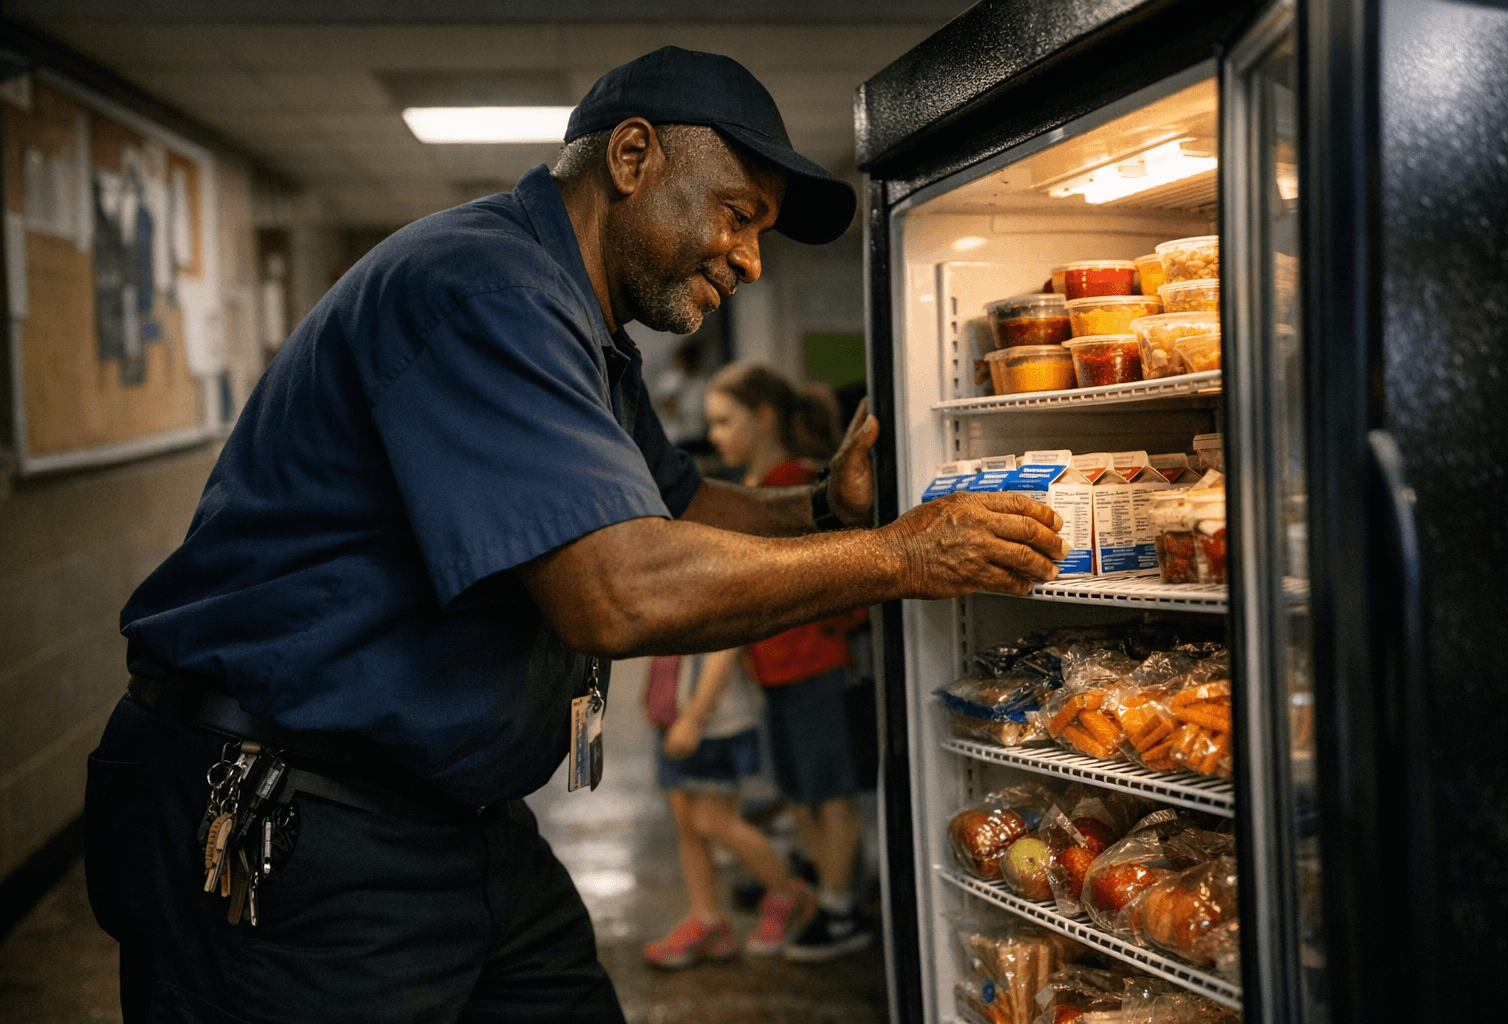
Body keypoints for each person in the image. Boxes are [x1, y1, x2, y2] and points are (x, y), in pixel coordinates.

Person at [86, 45, 1070, 1024]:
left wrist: (828, 508)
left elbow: (674, 505)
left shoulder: (580, 326)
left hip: (449, 818)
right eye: (737, 214)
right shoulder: (486, 291)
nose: (750, 259)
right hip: (297, 820)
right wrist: (900, 555)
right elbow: (618, 590)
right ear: (633, 159)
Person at [702, 363, 874, 961]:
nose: (717, 435)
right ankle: (829, 897)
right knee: (798, 793)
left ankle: (840, 909)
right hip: (774, 669)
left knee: (828, 793)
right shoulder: (749, 489)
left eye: (726, 420)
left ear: (765, 416)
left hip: (815, 664)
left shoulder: (799, 487)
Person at [640, 647, 815, 968]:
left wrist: (694, 718)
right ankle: (706, 920)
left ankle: (788, 894)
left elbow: (723, 648)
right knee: (687, 824)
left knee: (712, 820)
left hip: (714, 722)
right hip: (674, 716)